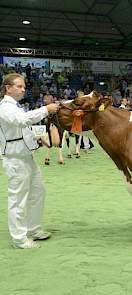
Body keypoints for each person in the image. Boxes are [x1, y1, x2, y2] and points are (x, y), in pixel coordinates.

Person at [0, 73, 60, 249]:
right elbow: (21, 121)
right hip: (15, 159)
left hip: (28, 157)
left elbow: (23, 129)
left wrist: (36, 139)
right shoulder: (5, 107)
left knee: (38, 192)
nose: (23, 89)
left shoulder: (16, 106)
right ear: (8, 88)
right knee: (18, 199)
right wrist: (46, 110)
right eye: (19, 86)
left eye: (23, 86)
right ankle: (19, 238)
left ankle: (33, 229)